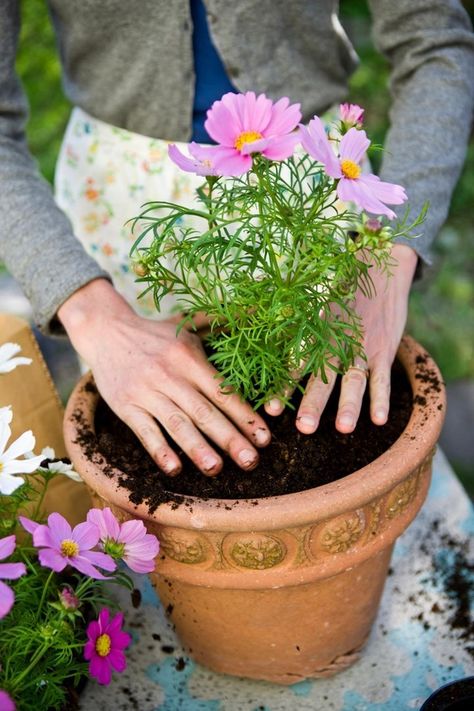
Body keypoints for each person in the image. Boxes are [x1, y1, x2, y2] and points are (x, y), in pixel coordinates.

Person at [1, 0, 473, 477]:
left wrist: (388, 255)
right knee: (153, 448)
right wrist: (89, 310)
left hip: (318, 194)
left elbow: (433, 39)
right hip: (122, 216)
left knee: (348, 419)